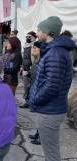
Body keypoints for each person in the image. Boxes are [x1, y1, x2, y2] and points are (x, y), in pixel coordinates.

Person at [29, 16, 76, 161]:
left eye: (40, 30)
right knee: (50, 150)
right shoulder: (55, 50)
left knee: (51, 153)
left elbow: (52, 86)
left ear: (48, 32)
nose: (37, 32)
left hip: (50, 111)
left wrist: (35, 99)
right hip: (51, 108)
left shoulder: (55, 53)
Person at [25, 41, 43, 145]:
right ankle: (38, 133)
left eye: (36, 48)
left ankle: (41, 137)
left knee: (42, 116)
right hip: (34, 89)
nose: (33, 49)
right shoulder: (36, 60)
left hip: (40, 91)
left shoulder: (42, 61)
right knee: (39, 115)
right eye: (33, 48)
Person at [20, 31, 37, 108]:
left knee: (32, 86)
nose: (28, 38)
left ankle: (30, 102)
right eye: (26, 36)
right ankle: (27, 101)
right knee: (26, 86)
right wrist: (22, 67)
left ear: (34, 37)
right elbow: (24, 58)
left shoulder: (35, 46)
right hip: (25, 69)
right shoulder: (26, 45)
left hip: (31, 69)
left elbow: (36, 59)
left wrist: (31, 69)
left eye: (30, 37)